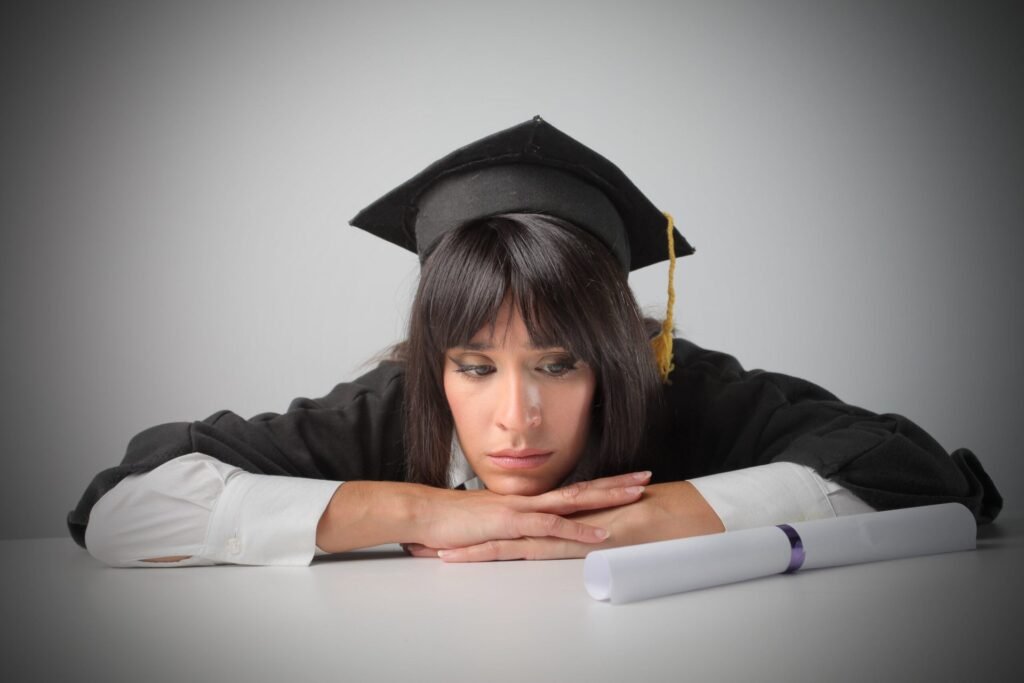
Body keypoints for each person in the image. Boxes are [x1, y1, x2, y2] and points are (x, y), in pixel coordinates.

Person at [69, 116, 1002, 567]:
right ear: (434, 361)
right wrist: (435, 512)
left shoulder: (684, 389)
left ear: (616, 349)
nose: (514, 416)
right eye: (476, 366)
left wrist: (638, 520)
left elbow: (921, 475)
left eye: (557, 363)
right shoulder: (393, 411)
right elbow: (123, 508)